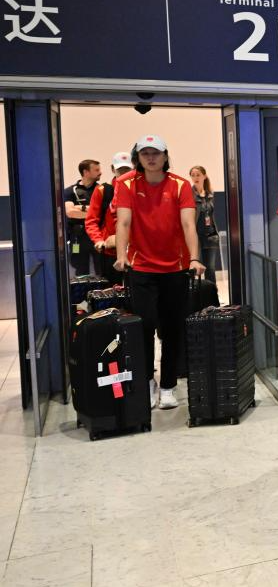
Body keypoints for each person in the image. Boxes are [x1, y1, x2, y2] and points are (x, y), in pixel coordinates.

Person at [113, 134, 205, 411]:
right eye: (145, 153)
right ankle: (147, 382)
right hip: (141, 267)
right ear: (138, 158)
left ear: (165, 156)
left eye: (156, 153)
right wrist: (121, 255)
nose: (151, 158)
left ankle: (167, 386)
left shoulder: (180, 185)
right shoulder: (126, 184)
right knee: (144, 326)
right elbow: (123, 222)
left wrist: (195, 258)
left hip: (175, 268)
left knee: (172, 328)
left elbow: (188, 225)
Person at [84, 151, 133, 285]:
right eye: (120, 170)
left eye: (127, 169)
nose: (124, 173)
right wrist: (98, 240)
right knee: (112, 290)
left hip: (134, 252)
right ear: (113, 169)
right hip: (110, 253)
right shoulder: (103, 191)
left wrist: (120, 239)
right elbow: (91, 220)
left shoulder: (140, 190)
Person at [63, 159, 102, 276]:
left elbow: (103, 212)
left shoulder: (102, 190)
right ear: (86, 172)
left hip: (98, 236)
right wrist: (93, 211)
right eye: (96, 170)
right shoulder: (70, 191)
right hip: (78, 238)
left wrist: (80, 208)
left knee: (102, 270)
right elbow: (70, 212)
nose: (100, 173)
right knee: (80, 271)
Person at [189, 165, 220, 283]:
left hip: (210, 236)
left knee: (210, 268)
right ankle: (194, 292)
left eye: (198, 175)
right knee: (194, 268)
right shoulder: (189, 194)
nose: (195, 178)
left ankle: (212, 292)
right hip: (195, 236)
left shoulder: (210, 194)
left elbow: (211, 215)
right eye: (193, 175)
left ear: (204, 176)